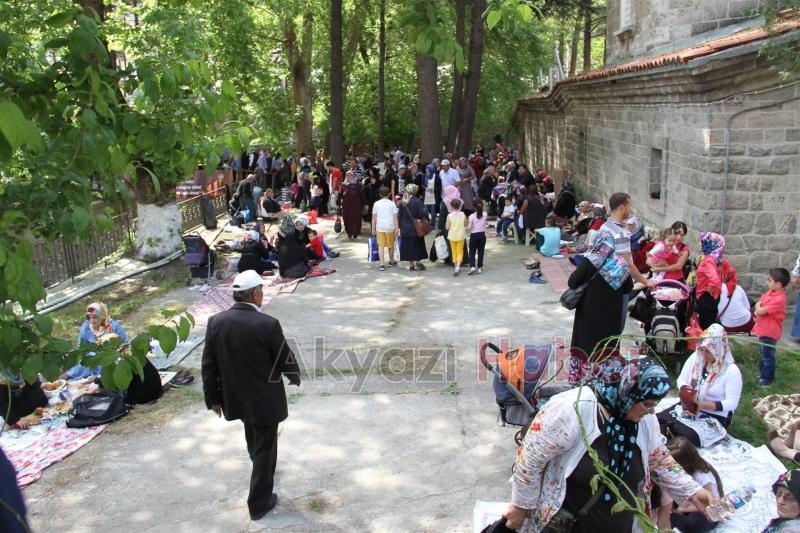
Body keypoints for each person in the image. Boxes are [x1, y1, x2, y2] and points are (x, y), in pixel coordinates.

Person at [502, 355, 714, 532]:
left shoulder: (643, 419)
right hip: (570, 522)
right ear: (627, 392)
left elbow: (658, 460)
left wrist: (692, 491)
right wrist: (521, 506)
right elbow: (530, 460)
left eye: (654, 406)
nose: (650, 412)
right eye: (647, 405)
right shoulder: (571, 409)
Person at [201, 270, 301, 521]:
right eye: (262, 292)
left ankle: (259, 465)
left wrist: (212, 397)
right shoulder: (267, 324)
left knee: (253, 435)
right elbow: (283, 358)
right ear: (255, 293)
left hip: (236, 397)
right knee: (266, 447)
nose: (262, 296)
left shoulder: (216, 321)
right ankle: (259, 503)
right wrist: (294, 375)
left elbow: (208, 364)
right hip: (264, 399)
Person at [567, 227, 634, 385]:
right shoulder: (620, 264)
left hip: (588, 315)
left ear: (598, 242)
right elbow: (629, 288)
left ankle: (582, 380)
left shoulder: (590, 261)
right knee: (607, 349)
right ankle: (604, 381)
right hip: (611, 319)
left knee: (585, 348)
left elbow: (572, 282)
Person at [659, 324, 743, 446]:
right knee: (658, 419)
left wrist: (703, 405)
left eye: (708, 351)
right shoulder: (696, 358)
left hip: (714, 414)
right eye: (701, 349)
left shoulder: (731, 371)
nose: (704, 354)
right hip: (690, 406)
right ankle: (670, 432)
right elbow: (681, 380)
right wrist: (688, 394)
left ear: (718, 349)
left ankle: (673, 433)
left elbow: (731, 403)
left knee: (689, 435)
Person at [602, 193, 656, 330]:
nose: (630, 209)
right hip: (616, 285)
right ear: (622, 207)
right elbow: (627, 264)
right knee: (616, 325)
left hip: (605, 282)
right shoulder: (620, 233)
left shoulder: (604, 227)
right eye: (629, 206)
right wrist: (645, 282)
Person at [660, 436, 723, 533]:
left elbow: (707, 503)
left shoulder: (701, 476)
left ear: (684, 464)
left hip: (705, 512)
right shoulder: (687, 472)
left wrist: (680, 509)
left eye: (672, 465)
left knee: (680, 521)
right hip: (689, 502)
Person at [753, 267, 790, 387]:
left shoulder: (779, 299)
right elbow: (760, 302)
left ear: (778, 284)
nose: (767, 282)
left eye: (769, 280)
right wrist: (759, 306)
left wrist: (759, 307)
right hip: (763, 330)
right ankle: (764, 374)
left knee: (768, 357)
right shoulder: (770, 293)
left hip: (770, 332)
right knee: (764, 354)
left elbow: (760, 310)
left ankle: (767, 379)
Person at [695, 232, 726, 330]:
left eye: (703, 242)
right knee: (709, 326)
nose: (700, 244)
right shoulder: (715, 259)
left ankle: (707, 345)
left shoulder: (708, 260)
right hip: (712, 297)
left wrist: (710, 289)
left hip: (706, 298)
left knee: (706, 328)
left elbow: (715, 280)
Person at [398, 184, 429, 271]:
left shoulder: (402, 201)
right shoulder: (417, 201)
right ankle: (417, 261)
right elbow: (421, 214)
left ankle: (411, 264)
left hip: (405, 227)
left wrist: (399, 227)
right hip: (415, 227)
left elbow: (400, 215)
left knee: (407, 245)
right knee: (416, 244)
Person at [372, 186, 399, 272]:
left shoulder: (376, 204)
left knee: (381, 246)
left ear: (380, 194)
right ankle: (391, 261)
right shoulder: (392, 204)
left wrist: (373, 228)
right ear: (389, 194)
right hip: (390, 227)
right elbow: (395, 218)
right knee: (391, 245)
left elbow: (373, 218)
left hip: (379, 227)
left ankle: (382, 264)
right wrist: (397, 228)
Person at [338, 170, 366, 241]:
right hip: (346, 206)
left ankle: (355, 234)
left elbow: (362, 195)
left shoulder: (357, 185)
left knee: (355, 219)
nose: (349, 177)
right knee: (346, 220)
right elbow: (339, 195)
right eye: (347, 175)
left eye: (350, 175)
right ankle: (349, 234)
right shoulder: (343, 185)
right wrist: (339, 202)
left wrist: (365, 204)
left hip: (356, 206)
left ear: (353, 176)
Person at [446, 198, 467, 276]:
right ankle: (458, 266)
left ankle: (456, 266)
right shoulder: (463, 214)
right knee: (460, 251)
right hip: (461, 235)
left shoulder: (449, 215)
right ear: (459, 206)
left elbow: (447, 227)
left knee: (453, 251)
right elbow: (465, 224)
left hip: (452, 236)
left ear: (451, 206)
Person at [466, 199, 487, 275]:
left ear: (473, 207)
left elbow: (470, 227)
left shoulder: (471, 216)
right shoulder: (485, 214)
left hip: (474, 235)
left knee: (472, 252)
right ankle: (480, 268)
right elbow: (484, 223)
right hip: (482, 235)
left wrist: (465, 226)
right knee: (481, 251)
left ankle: (472, 267)